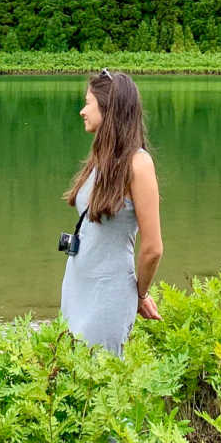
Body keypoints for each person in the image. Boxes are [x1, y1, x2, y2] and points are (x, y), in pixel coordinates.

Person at [59, 69, 164, 354]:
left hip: (108, 294)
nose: (82, 111)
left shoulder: (139, 165)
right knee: (71, 378)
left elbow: (152, 249)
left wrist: (139, 294)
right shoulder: (101, 159)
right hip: (78, 287)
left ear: (108, 107)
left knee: (101, 380)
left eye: (88, 102)